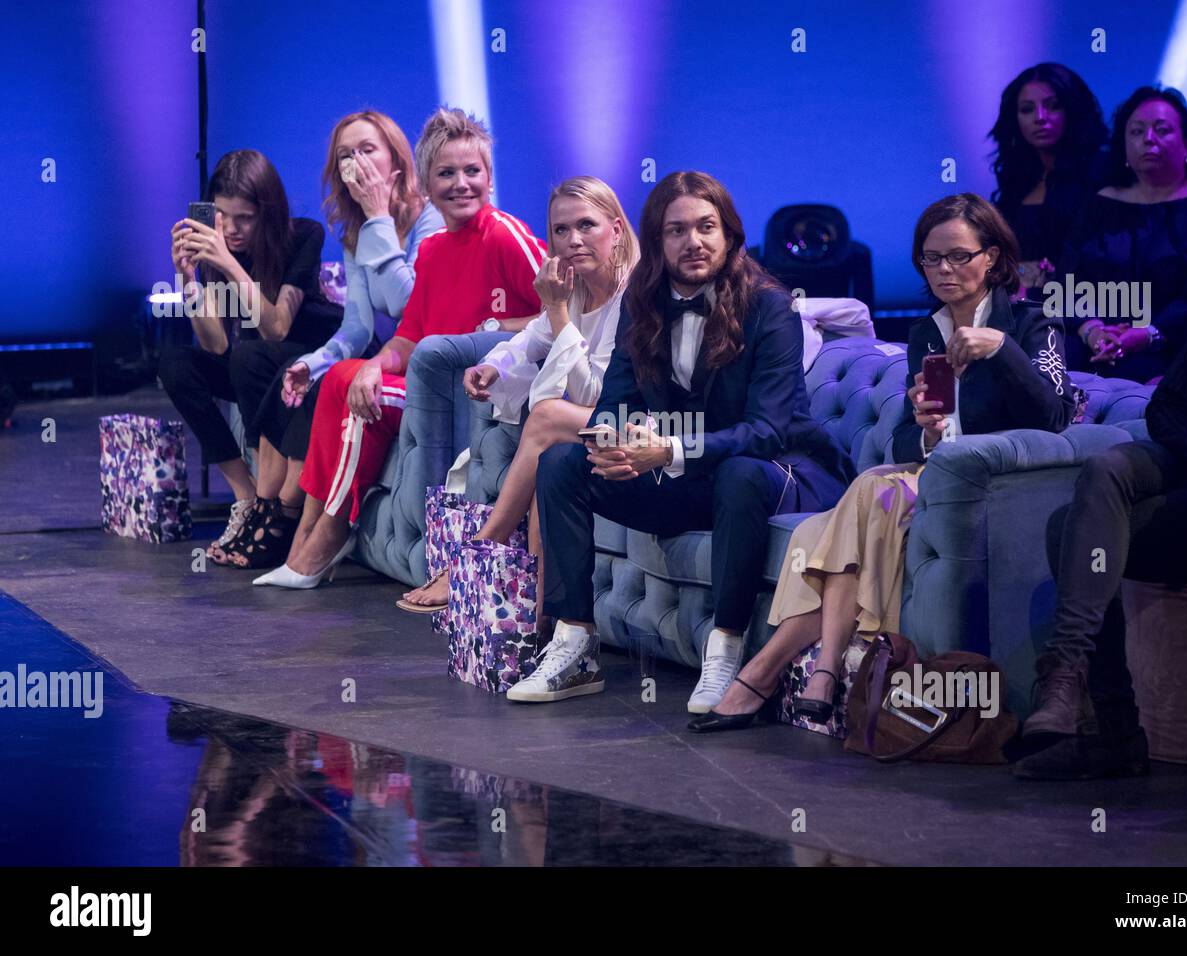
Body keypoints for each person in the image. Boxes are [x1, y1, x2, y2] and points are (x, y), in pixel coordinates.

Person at [691, 193, 1077, 733]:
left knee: (866, 494)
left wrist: (1001, 349)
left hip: (992, 490)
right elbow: (899, 441)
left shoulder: (1035, 326)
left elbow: (1056, 416)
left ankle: (776, 671)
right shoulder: (926, 333)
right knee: (821, 530)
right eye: (931, 258)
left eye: (959, 256)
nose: (944, 269)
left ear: (991, 256)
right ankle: (800, 674)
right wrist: (924, 431)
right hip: (926, 479)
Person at [509, 171, 854, 707]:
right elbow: (615, 403)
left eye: (706, 227)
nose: (692, 242)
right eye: (676, 231)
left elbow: (767, 431)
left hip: (778, 471)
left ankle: (725, 652)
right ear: (656, 241)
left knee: (739, 474)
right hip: (689, 479)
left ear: (729, 236)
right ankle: (573, 641)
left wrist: (668, 447)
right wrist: (616, 443)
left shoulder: (770, 308)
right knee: (561, 462)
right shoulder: (643, 304)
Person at [1014, 209, 1187, 780]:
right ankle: (1068, 675)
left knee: (1064, 527)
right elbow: (1166, 409)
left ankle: (1116, 735)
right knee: (1103, 470)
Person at [252, 107, 545, 589]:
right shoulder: (432, 251)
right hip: (432, 390)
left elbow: (563, 315)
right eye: (446, 174)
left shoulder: (504, 235)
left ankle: (322, 543)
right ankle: (307, 539)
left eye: (472, 171)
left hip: (477, 399)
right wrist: (374, 364)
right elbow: (408, 335)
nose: (461, 184)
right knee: (346, 376)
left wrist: (494, 325)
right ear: (427, 185)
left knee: (351, 391)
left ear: (490, 178)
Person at [397, 175, 639, 613]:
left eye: (587, 226)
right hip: (594, 425)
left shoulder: (635, 296)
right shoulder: (579, 287)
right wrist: (492, 365)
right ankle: (541, 623)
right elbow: (528, 338)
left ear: (616, 230)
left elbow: (595, 393)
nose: (573, 240)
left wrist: (557, 309)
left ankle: (471, 556)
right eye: (561, 230)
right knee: (547, 468)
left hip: (642, 429)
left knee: (545, 417)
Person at [223, 111, 441, 569]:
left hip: (425, 354)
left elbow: (410, 304)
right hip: (383, 350)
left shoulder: (431, 218)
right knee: (296, 371)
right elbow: (357, 328)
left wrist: (381, 217)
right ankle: (273, 509)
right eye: (345, 154)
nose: (356, 161)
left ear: (395, 158)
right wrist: (313, 362)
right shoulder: (356, 229)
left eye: (367, 149)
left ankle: (286, 520)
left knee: (326, 382)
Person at [160, 149, 341, 563]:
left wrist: (228, 263)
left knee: (251, 356)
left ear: (267, 211)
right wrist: (188, 279)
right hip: (251, 368)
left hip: (302, 360)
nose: (234, 229)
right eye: (223, 217)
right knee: (176, 364)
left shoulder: (303, 236)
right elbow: (215, 345)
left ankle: (271, 509)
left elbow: (275, 327)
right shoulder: (218, 248)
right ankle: (244, 497)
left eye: (245, 217)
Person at [1057, 86, 1187, 381]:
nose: (1148, 139)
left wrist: (1147, 333)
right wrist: (1092, 328)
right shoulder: (1101, 202)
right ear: (1123, 148)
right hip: (1095, 340)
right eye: (1135, 132)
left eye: (1162, 130)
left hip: (1178, 340)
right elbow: (1067, 278)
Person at [988, 63, 1107, 292]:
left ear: (1073, 111)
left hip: (1089, 306)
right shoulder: (1017, 179)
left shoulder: (1102, 172)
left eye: (1053, 106)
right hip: (1022, 306)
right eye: (1026, 109)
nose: (1040, 118)